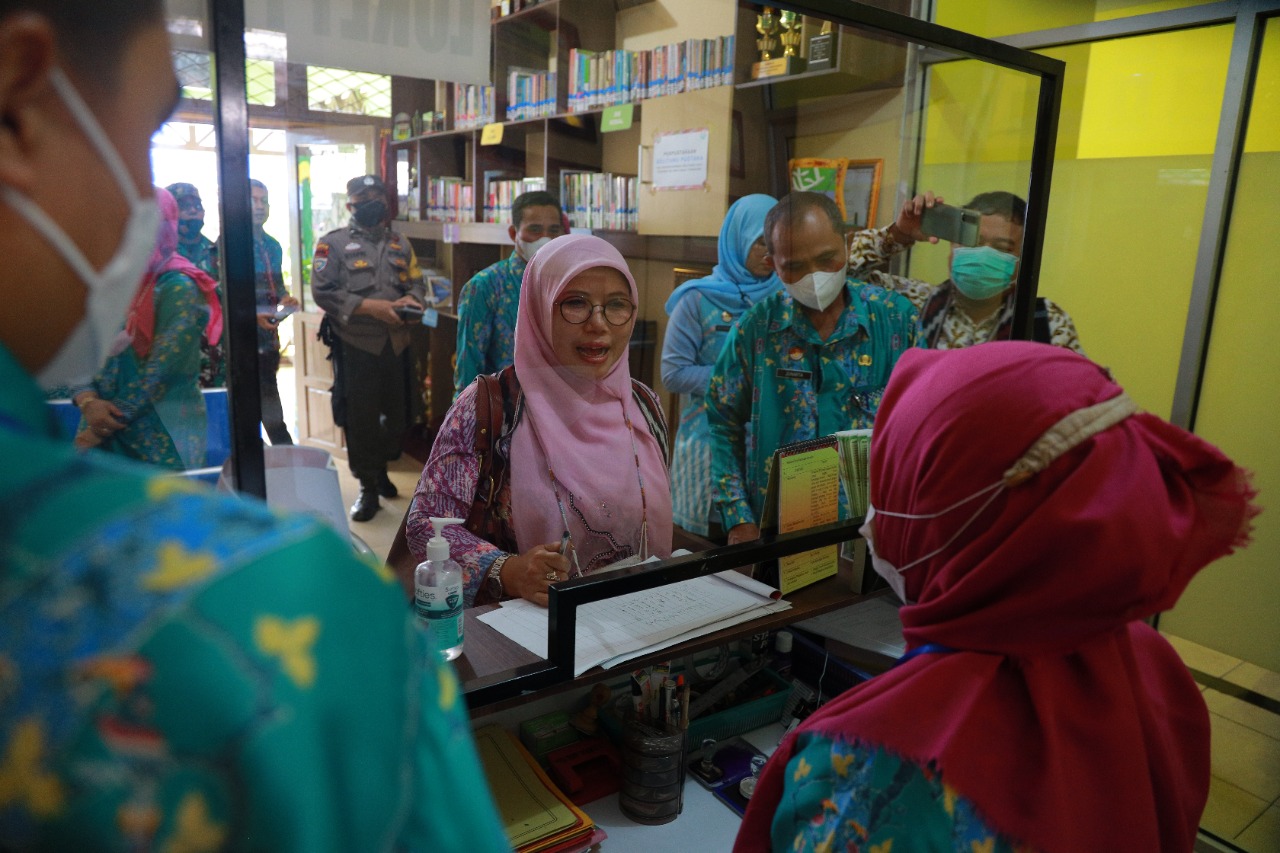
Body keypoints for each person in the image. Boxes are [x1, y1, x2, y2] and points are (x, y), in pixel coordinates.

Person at [0, 3, 507, 849]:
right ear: (18, 104)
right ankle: (370, 480)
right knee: (354, 427)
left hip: (377, 344)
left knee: (382, 420)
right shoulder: (285, 611)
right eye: (149, 127)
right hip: (348, 345)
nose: (144, 200)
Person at [735, 342, 1258, 853]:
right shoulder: (1157, 665)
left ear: (958, 520)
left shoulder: (861, 776)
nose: (876, 520)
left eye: (897, 487)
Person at [405, 234, 673, 607]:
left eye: (616, 305)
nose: (599, 324)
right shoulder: (488, 408)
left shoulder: (643, 407)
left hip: (638, 624)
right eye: (576, 304)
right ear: (539, 307)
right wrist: (508, 570)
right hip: (530, 636)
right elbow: (425, 525)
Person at [707, 192, 918, 545]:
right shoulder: (756, 330)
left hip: (872, 535)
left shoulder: (897, 321)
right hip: (778, 533)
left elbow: (924, 428)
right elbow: (721, 421)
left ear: (847, 247)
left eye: (826, 259)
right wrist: (737, 517)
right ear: (772, 263)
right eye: (794, 267)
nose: (814, 277)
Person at [71, 186, 221, 469]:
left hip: (160, 434)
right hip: (102, 426)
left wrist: (96, 430)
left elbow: (161, 372)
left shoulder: (179, 287)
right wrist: (88, 401)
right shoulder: (112, 282)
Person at [661, 193, 781, 539]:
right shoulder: (697, 299)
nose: (768, 253)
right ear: (737, 239)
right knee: (706, 553)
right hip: (707, 444)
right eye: (760, 241)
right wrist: (741, 379)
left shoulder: (784, 299)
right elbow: (673, 373)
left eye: (775, 242)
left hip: (767, 449)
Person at [310, 174, 427, 521]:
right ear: (351, 206)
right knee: (360, 420)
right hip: (357, 346)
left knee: (400, 415)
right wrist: (370, 308)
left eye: (378, 195)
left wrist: (413, 300)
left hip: (398, 344)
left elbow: (418, 283)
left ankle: (382, 470)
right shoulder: (332, 244)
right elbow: (323, 291)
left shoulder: (400, 243)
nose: (374, 202)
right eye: (365, 198)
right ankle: (368, 486)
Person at [849, 190, 1084, 351]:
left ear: (1021, 259)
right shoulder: (911, 303)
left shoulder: (1046, 320)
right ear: (952, 245)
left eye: (1002, 247)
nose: (983, 255)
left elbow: (1080, 402)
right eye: (972, 242)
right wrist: (897, 235)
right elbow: (834, 276)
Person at [453, 189, 566, 398]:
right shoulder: (485, 287)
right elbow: (468, 370)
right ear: (514, 234)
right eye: (535, 229)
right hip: (504, 416)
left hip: (559, 410)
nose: (545, 238)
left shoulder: (568, 284)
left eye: (553, 230)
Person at [249, 178, 297, 445]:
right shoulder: (226, 246)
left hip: (268, 344)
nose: (259, 206)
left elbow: (277, 288)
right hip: (237, 348)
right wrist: (250, 316)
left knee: (273, 415)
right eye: (253, 200)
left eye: (263, 201)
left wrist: (286, 300)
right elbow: (220, 301)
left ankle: (287, 474)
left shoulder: (273, 246)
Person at [167, 181, 225, 387]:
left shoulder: (217, 253)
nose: (193, 211)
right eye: (184, 206)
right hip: (175, 362)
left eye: (197, 205)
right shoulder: (162, 256)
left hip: (216, 358)